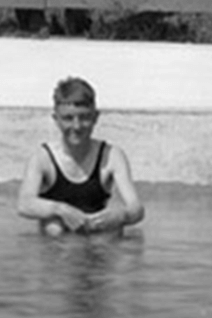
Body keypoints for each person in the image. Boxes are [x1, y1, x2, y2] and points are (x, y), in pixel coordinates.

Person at [17, 77, 144, 236]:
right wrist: (61, 209)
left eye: (84, 118)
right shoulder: (42, 158)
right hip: (57, 246)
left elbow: (136, 208)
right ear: (56, 119)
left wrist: (121, 215)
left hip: (97, 233)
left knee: (114, 228)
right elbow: (24, 204)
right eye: (68, 118)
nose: (76, 126)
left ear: (95, 117)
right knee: (54, 226)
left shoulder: (112, 155)